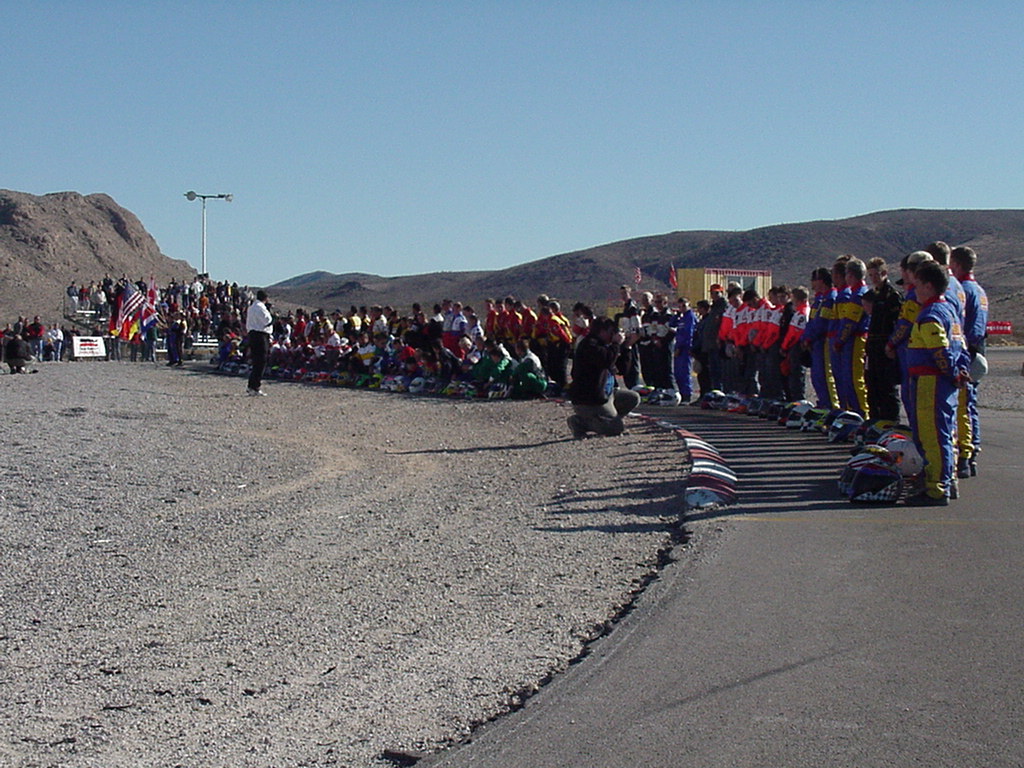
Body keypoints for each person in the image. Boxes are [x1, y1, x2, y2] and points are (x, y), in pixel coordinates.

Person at [905, 261, 969, 506]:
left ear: (929, 286)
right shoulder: (949, 311)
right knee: (943, 432)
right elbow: (960, 346)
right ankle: (944, 479)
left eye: (918, 284)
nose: (915, 289)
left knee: (932, 434)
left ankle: (936, 488)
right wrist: (958, 371)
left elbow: (940, 351)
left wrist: (952, 373)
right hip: (937, 382)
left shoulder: (931, 315)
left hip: (930, 382)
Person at [567, 317, 641, 439]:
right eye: (611, 332)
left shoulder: (607, 347)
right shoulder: (589, 345)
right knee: (616, 429)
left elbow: (623, 370)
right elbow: (606, 360)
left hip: (607, 394)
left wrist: (627, 346)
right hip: (589, 399)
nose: (614, 335)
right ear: (602, 331)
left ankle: (606, 419)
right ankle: (580, 422)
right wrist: (616, 344)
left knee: (632, 398)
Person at [950, 246, 988, 477]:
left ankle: (966, 453)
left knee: (963, 405)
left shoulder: (963, 289)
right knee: (969, 404)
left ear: (956, 264)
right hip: (977, 348)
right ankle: (971, 450)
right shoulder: (979, 289)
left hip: (968, 350)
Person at [864, 257, 903, 421]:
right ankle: (874, 420)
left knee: (887, 387)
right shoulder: (873, 295)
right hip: (873, 344)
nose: (873, 278)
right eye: (870, 275)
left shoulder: (892, 295)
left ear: (884, 273)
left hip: (885, 344)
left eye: (876, 274)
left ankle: (890, 421)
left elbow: (896, 322)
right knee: (872, 385)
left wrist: (892, 345)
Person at [246, 289, 273, 396]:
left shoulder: (251, 307)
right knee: (261, 361)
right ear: (265, 298)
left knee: (256, 361)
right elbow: (267, 320)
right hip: (260, 335)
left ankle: (251, 385)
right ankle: (255, 386)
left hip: (252, 334)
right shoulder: (261, 308)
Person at [672, 297, 696, 402]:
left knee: (684, 372)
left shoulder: (690, 317)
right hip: (678, 346)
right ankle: (682, 393)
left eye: (684, 306)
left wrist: (681, 348)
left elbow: (688, 334)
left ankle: (687, 395)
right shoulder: (681, 317)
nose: (682, 308)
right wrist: (676, 315)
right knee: (677, 373)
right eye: (680, 306)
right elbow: (671, 324)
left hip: (685, 348)